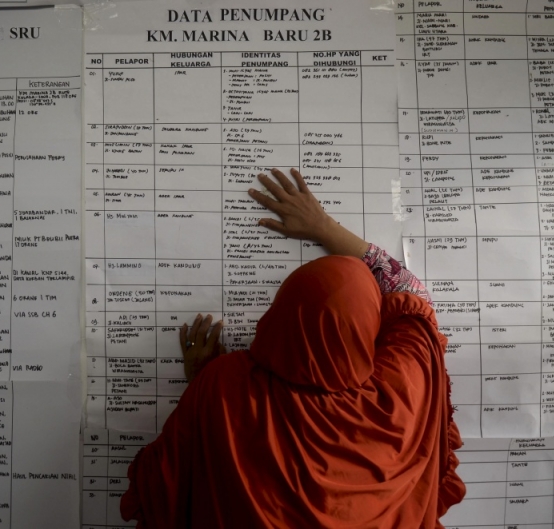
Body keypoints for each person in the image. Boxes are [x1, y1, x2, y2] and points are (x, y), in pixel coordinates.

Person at [120, 168, 466, 528]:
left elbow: (165, 482)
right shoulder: (400, 394)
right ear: (369, 323)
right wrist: (323, 227)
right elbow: (409, 291)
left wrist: (202, 384)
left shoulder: (223, 385)